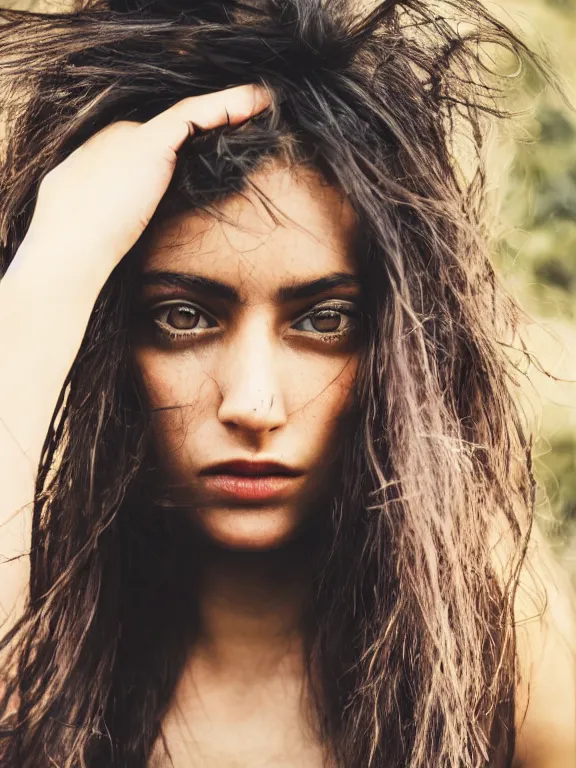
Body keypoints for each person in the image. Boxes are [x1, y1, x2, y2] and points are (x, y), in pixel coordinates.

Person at [0, 0, 574, 766]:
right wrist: (54, 267)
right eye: (181, 317)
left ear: (398, 347)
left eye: (325, 321)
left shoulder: (490, 649)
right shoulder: (31, 650)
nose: (253, 404)